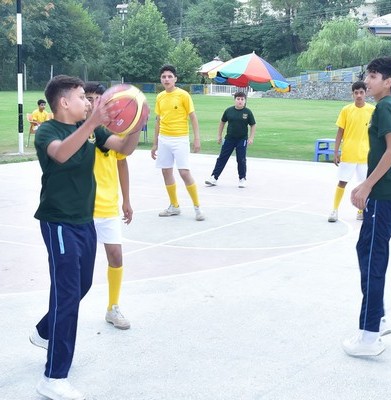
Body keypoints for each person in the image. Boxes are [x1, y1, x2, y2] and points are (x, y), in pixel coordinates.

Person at [29, 75, 140, 400]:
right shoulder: (49, 130)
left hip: (84, 220)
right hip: (58, 222)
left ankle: (45, 331)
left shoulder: (92, 130)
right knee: (67, 297)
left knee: (82, 285)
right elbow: (61, 154)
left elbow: (123, 148)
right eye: (81, 97)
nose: (88, 103)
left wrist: (135, 124)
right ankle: (53, 378)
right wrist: (92, 123)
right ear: (64, 102)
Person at [342, 57, 391, 357]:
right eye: (367, 76)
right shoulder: (390, 107)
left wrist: (367, 185)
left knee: (372, 258)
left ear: (388, 81)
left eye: (372, 76)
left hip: (385, 193)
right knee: (366, 249)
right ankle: (378, 317)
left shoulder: (384, 107)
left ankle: (369, 336)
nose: (367, 81)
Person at [85, 82, 131, 330]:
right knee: (79, 265)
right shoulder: (78, 129)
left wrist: (127, 200)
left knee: (115, 256)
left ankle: (113, 307)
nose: (93, 103)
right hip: (83, 208)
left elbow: (122, 163)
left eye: (98, 99)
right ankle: (67, 308)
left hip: (108, 205)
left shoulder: (114, 132)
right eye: (88, 98)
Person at [151, 64, 205, 221]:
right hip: (164, 139)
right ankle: (174, 205)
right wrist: (155, 143)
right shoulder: (160, 97)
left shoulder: (183, 95)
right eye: (163, 77)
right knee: (166, 171)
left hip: (180, 139)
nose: (166, 79)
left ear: (175, 79)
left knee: (184, 172)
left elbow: (193, 117)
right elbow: (158, 120)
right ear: (160, 79)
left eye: (169, 76)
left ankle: (197, 207)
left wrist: (196, 138)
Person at [327, 81, 375, 222]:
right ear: (352, 94)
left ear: (365, 93)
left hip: (365, 154)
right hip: (348, 152)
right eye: (356, 93)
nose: (359, 95)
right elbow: (340, 132)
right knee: (342, 182)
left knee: (364, 184)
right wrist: (336, 152)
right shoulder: (346, 110)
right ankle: (334, 209)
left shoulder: (372, 110)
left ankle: (361, 210)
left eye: (361, 92)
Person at [205, 91, 256, 188]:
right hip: (229, 139)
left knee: (241, 159)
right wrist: (219, 136)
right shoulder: (229, 111)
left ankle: (242, 179)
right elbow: (222, 122)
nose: (240, 101)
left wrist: (251, 138)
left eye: (242, 99)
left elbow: (253, 125)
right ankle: (214, 177)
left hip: (242, 140)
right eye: (238, 99)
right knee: (222, 158)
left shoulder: (247, 112)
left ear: (245, 101)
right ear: (234, 100)